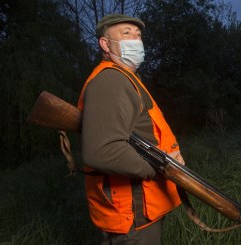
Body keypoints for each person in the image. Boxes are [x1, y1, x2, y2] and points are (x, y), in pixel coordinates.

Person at [77, 14, 185, 245]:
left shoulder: (127, 79)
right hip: (132, 216)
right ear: (105, 44)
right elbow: (102, 151)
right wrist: (160, 167)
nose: (136, 40)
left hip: (142, 210)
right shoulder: (111, 81)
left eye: (138, 35)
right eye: (126, 33)